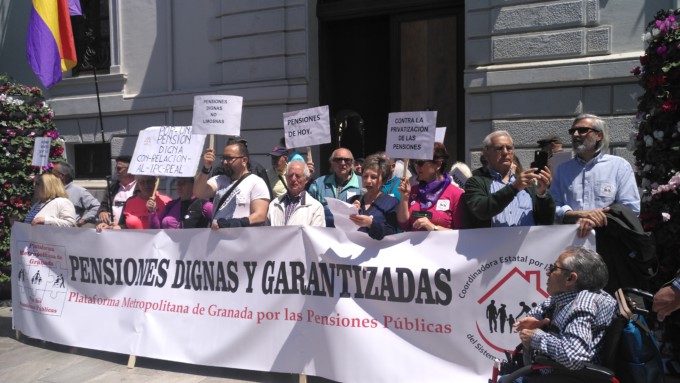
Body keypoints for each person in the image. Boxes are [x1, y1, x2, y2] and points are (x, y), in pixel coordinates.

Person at [512, 246, 617, 377]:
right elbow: (540, 311)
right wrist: (536, 321)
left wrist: (535, 337)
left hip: (567, 377)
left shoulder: (584, 303)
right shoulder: (564, 296)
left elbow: (575, 357)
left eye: (554, 268)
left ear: (570, 279)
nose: (547, 272)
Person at [550, 114, 640, 238]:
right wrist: (578, 215)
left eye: (582, 130)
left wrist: (594, 219)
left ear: (599, 136)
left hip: (608, 240)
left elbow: (631, 209)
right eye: (572, 131)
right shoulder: (562, 169)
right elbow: (553, 207)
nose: (575, 135)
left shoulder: (619, 166)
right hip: (572, 240)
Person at [463, 131, 554, 228]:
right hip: (492, 242)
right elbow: (482, 211)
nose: (505, 152)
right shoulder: (475, 182)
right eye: (499, 148)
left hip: (527, 243)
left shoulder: (528, 184)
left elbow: (547, 221)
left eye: (509, 148)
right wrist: (514, 188)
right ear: (486, 154)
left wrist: (542, 194)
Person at [194, 141, 270, 229]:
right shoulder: (219, 180)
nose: (225, 162)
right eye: (224, 158)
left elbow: (260, 216)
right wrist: (206, 168)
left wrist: (232, 224)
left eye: (229, 158)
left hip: (241, 240)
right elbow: (199, 193)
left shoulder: (256, 182)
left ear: (244, 160)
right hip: (217, 239)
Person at [396, 142, 465, 231]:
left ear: (438, 164)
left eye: (420, 163)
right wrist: (404, 198)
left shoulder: (456, 194)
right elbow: (403, 225)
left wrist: (433, 227)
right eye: (415, 163)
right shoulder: (412, 190)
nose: (417, 167)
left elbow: (462, 233)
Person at [308, 147, 362, 227]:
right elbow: (307, 206)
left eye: (347, 160)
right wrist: (306, 177)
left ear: (352, 164)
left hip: (350, 235)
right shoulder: (319, 184)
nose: (343, 163)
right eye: (338, 160)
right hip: (324, 234)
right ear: (332, 163)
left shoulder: (362, 184)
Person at [348, 154, 399, 240]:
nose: (368, 181)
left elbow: (392, 233)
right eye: (365, 176)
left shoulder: (391, 202)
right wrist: (348, 212)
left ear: (383, 180)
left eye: (373, 177)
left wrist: (371, 224)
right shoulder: (352, 200)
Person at [97, 175, 171, 230]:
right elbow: (123, 226)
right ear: (138, 184)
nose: (146, 185)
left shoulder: (167, 201)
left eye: (149, 181)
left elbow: (170, 226)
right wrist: (110, 228)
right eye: (142, 182)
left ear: (155, 182)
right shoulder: (130, 201)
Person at [266, 160, 325, 226]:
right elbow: (267, 233)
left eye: (298, 176)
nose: (293, 179)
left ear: (306, 179)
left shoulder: (316, 207)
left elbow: (316, 235)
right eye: (290, 175)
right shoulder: (274, 204)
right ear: (286, 177)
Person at [51, 162, 100, 227]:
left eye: (53, 174)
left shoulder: (79, 191)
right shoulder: (49, 190)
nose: (50, 176)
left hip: (68, 232)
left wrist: (83, 220)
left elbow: (96, 206)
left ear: (61, 176)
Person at [97, 155, 136, 225]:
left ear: (130, 169)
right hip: (111, 230)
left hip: (130, 231)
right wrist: (102, 212)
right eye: (116, 168)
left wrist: (121, 226)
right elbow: (103, 205)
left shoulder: (139, 188)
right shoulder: (113, 187)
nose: (116, 172)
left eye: (119, 169)